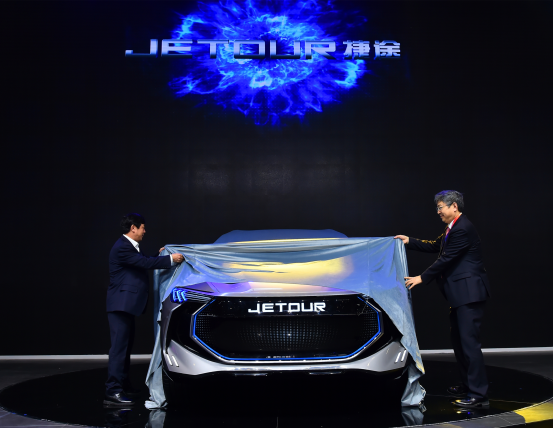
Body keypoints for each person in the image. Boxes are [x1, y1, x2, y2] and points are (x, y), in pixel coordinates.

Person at [395, 190, 491, 409]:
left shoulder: (463, 228)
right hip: (460, 296)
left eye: (440, 207)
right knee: (460, 343)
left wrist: (422, 277)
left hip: (469, 295)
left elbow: (447, 258)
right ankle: (468, 385)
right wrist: (409, 241)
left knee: (469, 345)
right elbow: (434, 245)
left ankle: (479, 395)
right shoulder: (452, 228)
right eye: (437, 208)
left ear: (454, 206)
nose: (438, 212)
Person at [105, 213, 184, 407]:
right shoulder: (122, 247)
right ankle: (112, 392)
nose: (144, 231)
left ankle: (123, 385)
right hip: (120, 305)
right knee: (119, 350)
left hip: (125, 306)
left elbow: (141, 261)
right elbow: (144, 263)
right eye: (142, 227)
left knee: (125, 349)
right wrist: (170, 259)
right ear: (133, 228)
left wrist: (160, 255)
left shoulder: (129, 247)